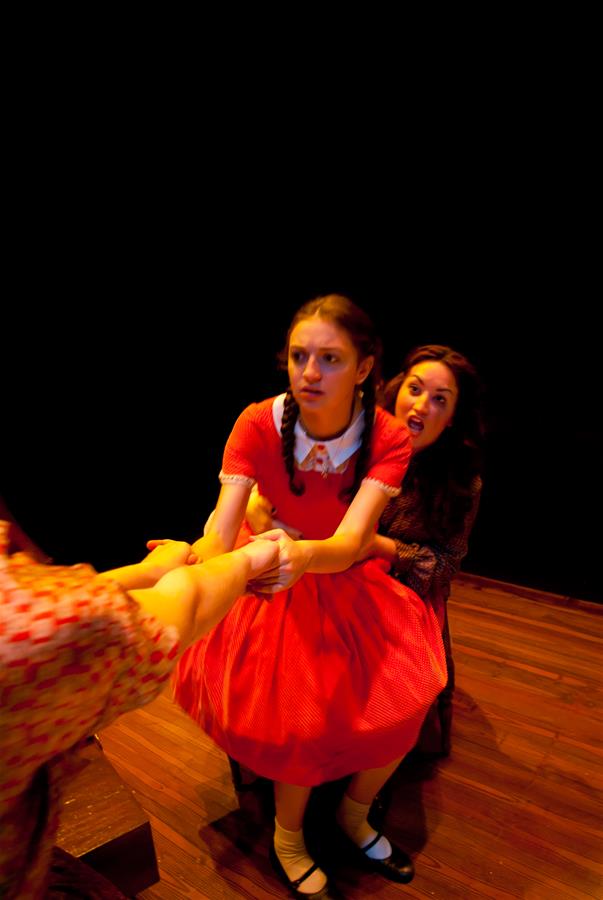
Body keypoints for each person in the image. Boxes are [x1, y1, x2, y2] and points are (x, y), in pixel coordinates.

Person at [171, 295, 447, 897]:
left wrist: (301, 556)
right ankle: (287, 835)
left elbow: (351, 543)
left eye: (330, 358)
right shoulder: (255, 423)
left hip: (333, 573)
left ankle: (353, 812)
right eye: (300, 356)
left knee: (409, 699)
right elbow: (222, 530)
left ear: (367, 367)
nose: (309, 373)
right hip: (271, 580)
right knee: (301, 719)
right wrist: (188, 563)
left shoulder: (388, 436)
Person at [0, 510, 278, 900]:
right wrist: (249, 561)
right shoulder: (33, 634)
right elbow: (183, 609)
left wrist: (151, 571)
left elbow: (43, 598)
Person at [247, 344, 484, 760]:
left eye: (440, 400)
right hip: (330, 568)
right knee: (278, 645)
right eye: (415, 388)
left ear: (450, 421)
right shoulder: (353, 437)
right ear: (396, 391)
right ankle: (285, 744)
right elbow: (283, 473)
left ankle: (350, 765)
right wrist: (256, 497)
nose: (422, 405)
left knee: (363, 680)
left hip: (402, 587)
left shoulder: (459, 482)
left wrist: (376, 545)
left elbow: (444, 564)